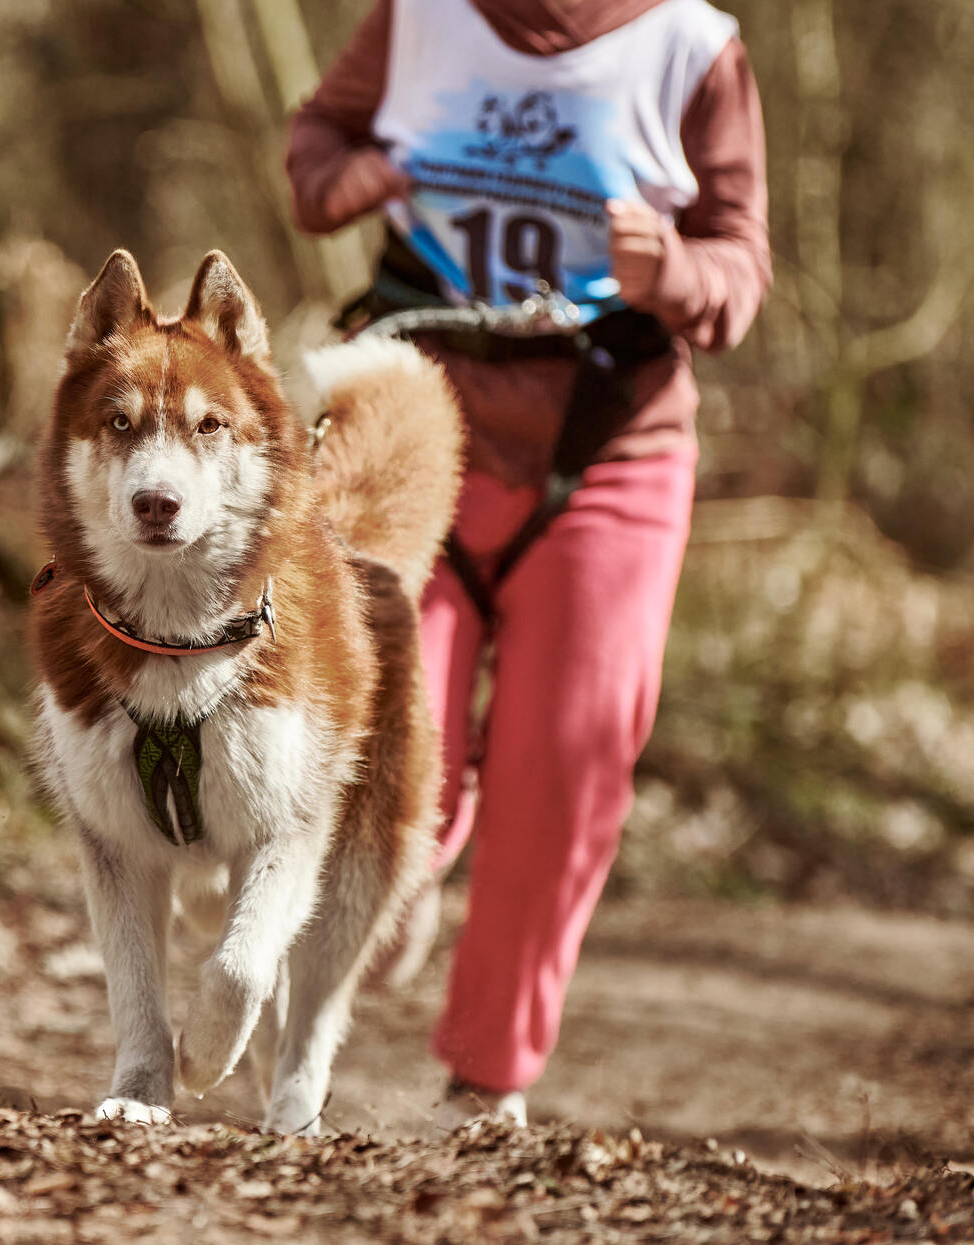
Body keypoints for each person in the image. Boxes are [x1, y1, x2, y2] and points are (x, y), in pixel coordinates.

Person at [286, 0, 772, 1127]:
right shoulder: (423, 16)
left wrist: (676, 274)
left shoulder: (694, 47)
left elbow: (740, 272)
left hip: (611, 442)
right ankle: (400, 868)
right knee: (383, 729)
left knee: (570, 753)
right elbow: (313, 156)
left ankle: (486, 1077)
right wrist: (358, 178)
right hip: (418, 423)